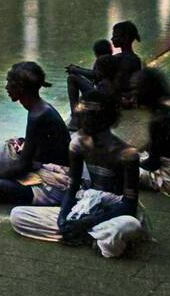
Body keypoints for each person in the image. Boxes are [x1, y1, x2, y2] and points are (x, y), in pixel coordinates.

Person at [9, 91, 146, 258]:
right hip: (85, 206)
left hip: (113, 212)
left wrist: (86, 222)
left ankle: (83, 234)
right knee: (17, 215)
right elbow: (72, 187)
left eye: (90, 115)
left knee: (131, 225)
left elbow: (129, 205)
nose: (84, 120)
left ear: (106, 118)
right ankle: (88, 237)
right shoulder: (78, 144)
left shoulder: (127, 154)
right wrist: (62, 219)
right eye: (82, 114)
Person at [0, 62, 72, 206]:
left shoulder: (38, 115)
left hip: (55, 182)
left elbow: (24, 166)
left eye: (9, 83)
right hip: (41, 166)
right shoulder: (39, 109)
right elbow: (40, 151)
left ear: (20, 88)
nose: (6, 87)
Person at [134, 68, 170, 194]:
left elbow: (153, 163)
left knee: (121, 169)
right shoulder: (168, 112)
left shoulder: (157, 120)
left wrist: (135, 166)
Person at [109, 20, 144, 107]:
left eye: (115, 36)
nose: (112, 39)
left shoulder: (117, 59)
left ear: (125, 38)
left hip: (119, 98)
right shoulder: (136, 59)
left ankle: (74, 115)